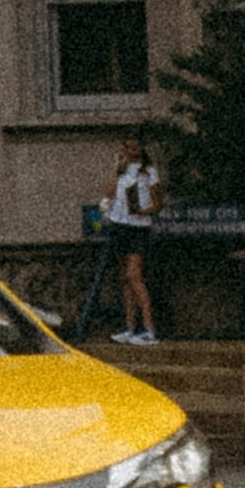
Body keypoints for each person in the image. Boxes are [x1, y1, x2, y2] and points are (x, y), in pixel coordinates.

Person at [89, 136, 165, 349]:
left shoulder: (149, 172)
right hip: (119, 224)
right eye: (127, 147)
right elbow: (109, 193)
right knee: (125, 278)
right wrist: (115, 168)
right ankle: (130, 326)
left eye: (134, 147)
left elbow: (158, 202)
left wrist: (144, 210)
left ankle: (149, 328)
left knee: (135, 275)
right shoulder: (122, 171)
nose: (130, 151)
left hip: (138, 227)